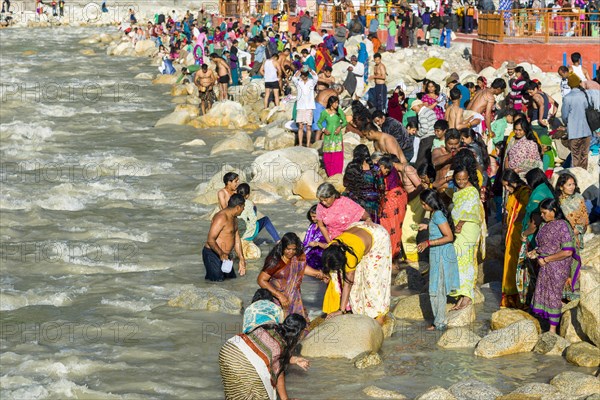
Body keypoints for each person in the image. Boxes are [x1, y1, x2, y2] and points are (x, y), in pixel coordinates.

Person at [219, 314, 309, 400]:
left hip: (229, 349)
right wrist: (285, 399)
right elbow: (278, 373)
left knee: (235, 393)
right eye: (303, 332)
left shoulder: (270, 326)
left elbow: (267, 352)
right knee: (262, 394)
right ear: (298, 332)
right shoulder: (283, 345)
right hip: (245, 363)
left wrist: (294, 359)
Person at [321, 222, 392, 325]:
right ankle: (357, 310)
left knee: (372, 282)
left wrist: (341, 310)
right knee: (348, 277)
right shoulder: (331, 248)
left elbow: (348, 283)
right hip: (358, 229)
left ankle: (378, 314)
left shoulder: (350, 256)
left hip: (378, 237)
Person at [528, 199, 578, 333]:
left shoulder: (562, 225)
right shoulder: (545, 225)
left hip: (558, 266)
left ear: (553, 211)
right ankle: (547, 324)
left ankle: (552, 330)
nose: (542, 216)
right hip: (545, 265)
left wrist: (547, 259)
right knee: (546, 294)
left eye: (544, 213)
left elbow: (567, 251)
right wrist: (536, 252)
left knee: (554, 296)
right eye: (541, 213)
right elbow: (545, 245)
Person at [417, 189, 460, 330]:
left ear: (430, 203)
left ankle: (440, 323)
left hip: (441, 254)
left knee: (437, 289)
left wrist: (428, 242)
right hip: (438, 254)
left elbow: (449, 236)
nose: (423, 207)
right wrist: (427, 226)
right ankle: (438, 321)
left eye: (423, 204)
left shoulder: (438, 215)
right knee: (436, 287)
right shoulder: (435, 213)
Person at [258, 233, 326, 320]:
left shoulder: (297, 257)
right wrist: (279, 296)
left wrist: (319, 274)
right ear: (283, 247)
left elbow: (302, 268)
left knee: (298, 323)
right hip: (277, 299)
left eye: (294, 249)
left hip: (294, 298)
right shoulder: (275, 261)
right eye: (288, 249)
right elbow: (261, 280)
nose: (291, 252)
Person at [450, 160, 485, 310]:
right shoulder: (457, 191)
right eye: (458, 179)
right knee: (458, 260)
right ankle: (461, 294)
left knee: (466, 260)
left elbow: (471, 211)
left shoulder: (472, 191)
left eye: (464, 179)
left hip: (467, 228)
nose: (462, 182)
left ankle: (467, 296)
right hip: (459, 229)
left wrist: (460, 223)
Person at [500, 169, 532, 308]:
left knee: (517, 264)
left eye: (507, 186)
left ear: (513, 182)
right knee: (509, 263)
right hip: (512, 233)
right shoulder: (515, 192)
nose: (506, 189)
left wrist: (515, 221)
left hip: (519, 232)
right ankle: (509, 297)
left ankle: (518, 299)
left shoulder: (524, 192)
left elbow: (527, 209)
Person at [203, 194, 246, 281]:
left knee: (231, 280)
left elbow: (237, 238)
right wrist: (221, 253)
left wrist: (241, 258)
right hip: (212, 253)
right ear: (238, 207)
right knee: (217, 284)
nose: (243, 209)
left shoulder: (235, 219)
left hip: (226, 256)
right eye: (243, 207)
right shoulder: (221, 217)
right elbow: (210, 239)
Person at [561, 73, 598, 169]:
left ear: (569, 84)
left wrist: (567, 124)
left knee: (575, 157)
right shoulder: (586, 95)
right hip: (587, 131)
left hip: (574, 132)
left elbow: (564, 116)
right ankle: (583, 175)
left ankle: (575, 177)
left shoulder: (567, 98)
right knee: (584, 156)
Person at [343, 145, 385, 223]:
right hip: (372, 202)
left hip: (355, 201)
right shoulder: (376, 168)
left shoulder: (352, 167)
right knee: (371, 227)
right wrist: (381, 203)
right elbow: (381, 187)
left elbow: (346, 184)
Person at [378, 155, 408, 258]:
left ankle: (390, 254)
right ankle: (394, 253)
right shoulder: (391, 170)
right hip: (400, 198)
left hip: (393, 200)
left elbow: (383, 190)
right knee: (396, 226)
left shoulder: (386, 174)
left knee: (390, 227)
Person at [522, 168, 556, 245]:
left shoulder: (537, 196)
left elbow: (535, 222)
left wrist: (524, 234)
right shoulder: (547, 188)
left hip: (535, 237)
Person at [317, 95, 347, 176]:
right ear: (330, 103)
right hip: (328, 136)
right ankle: (330, 173)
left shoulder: (339, 112)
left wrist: (340, 127)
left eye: (337, 102)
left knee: (337, 155)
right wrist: (324, 130)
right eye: (335, 103)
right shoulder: (324, 113)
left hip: (337, 136)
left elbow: (345, 122)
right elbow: (319, 123)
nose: (337, 104)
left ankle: (337, 173)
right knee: (328, 155)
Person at [293, 67, 318, 147]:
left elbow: (316, 77)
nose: (304, 76)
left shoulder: (311, 82)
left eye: (306, 74)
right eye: (303, 74)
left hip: (309, 106)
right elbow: (294, 78)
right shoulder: (298, 83)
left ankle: (307, 144)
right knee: (300, 126)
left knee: (308, 126)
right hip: (300, 106)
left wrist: (310, 70)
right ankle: (300, 144)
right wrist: (300, 70)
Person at [411, 99, 437, 170]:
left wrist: (417, 133)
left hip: (426, 138)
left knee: (420, 160)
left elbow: (424, 129)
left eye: (414, 109)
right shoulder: (430, 111)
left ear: (419, 106)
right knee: (428, 159)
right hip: (433, 136)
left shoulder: (421, 114)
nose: (414, 111)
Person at [303, 205, 326, 270]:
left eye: (314, 216)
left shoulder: (326, 228)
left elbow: (330, 245)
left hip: (319, 255)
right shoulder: (312, 225)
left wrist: (318, 244)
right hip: (308, 251)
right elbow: (306, 241)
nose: (312, 219)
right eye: (311, 217)